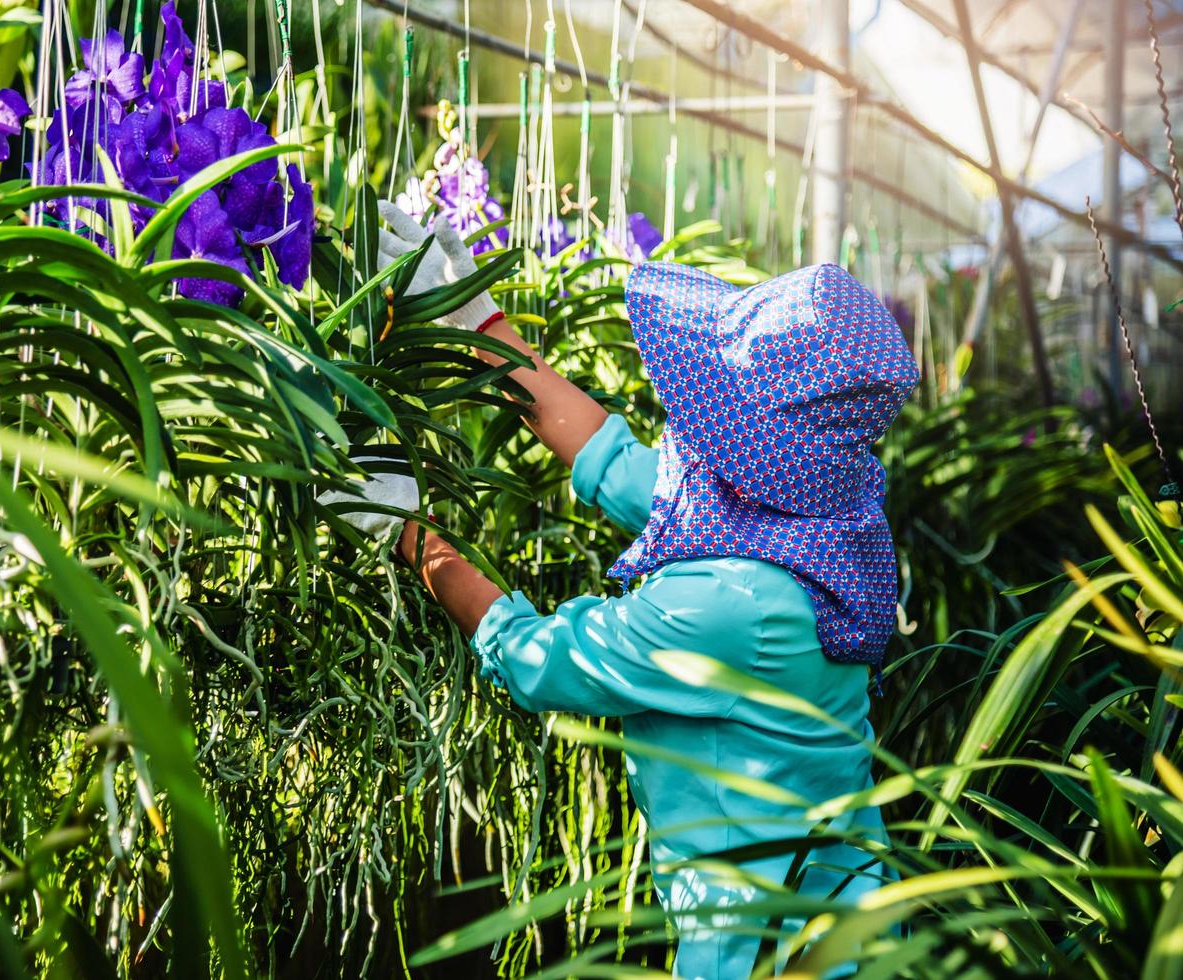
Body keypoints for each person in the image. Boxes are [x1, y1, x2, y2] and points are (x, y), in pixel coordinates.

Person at [324, 203, 919, 978]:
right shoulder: (829, 522)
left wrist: (408, 531)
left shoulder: (725, 609)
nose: (691, 421)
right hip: (852, 930)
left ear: (751, 444)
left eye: (714, 407)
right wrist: (480, 321)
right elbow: (619, 464)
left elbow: (535, 658)